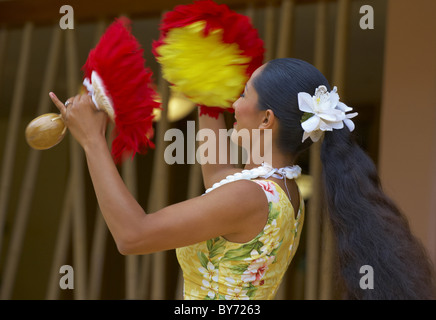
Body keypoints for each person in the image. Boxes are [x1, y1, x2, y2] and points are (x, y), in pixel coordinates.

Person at [49, 58, 436, 300]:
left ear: (266, 119)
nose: (234, 102)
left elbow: (133, 235)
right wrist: (204, 82)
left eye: (244, 93)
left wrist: (92, 141)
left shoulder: (250, 197)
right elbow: (216, 171)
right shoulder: (277, 191)